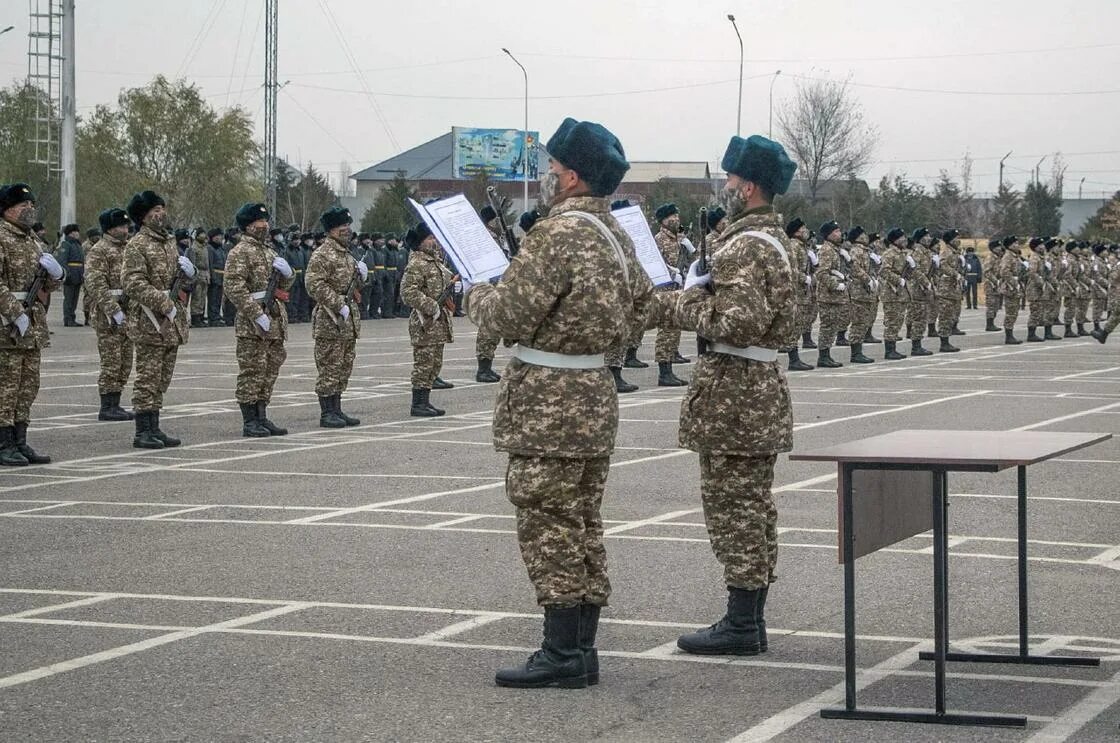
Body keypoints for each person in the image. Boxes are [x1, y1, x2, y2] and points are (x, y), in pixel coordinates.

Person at [466, 117, 652, 688]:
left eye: (550, 170)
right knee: (581, 520)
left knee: (548, 522)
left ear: (571, 177)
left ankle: (561, 653)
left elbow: (507, 317)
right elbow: (643, 307)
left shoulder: (556, 234)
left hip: (549, 402)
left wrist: (476, 290)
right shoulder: (617, 234)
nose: (546, 179)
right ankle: (581, 646)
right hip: (594, 394)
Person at [672, 133, 796, 656]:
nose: (724, 186)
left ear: (747, 187)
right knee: (753, 506)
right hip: (755, 390)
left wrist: (686, 302)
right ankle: (750, 618)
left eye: (729, 178)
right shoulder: (773, 240)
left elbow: (739, 322)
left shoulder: (745, 245)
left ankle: (742, 624)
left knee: (734, 508)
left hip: (735, 395)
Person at [121, 190, 195, 449]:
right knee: (147, 378)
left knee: (162, 378)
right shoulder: (137, 245)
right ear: (143, 217)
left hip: (171, 320)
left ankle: (155, 426)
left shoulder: (169, 242)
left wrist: (187, 274)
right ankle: (143, 430)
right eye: (154, 210)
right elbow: (132, 282)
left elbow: (174, 280)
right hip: (150, 321)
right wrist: (164, 303)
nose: (160, 213)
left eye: (162, 208)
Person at [0, 183, 62, 466]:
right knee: (7, 386)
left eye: (31, 205)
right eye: (22, 205)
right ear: (7, 209)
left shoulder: (33, 241)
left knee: (28, 386)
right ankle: (4, 443)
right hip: (6, 325)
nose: (29, 209)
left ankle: (20, 440)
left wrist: (55, 275)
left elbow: (47, 285)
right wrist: (15, 313)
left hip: (32, 326)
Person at [224, 203, 295, 437]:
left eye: (266, 222)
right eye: (259, 222)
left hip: (274, 321)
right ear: (247, 226)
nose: (264, 226)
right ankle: (250, 421)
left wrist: (288, 275)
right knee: (252, 371)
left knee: (269, 370)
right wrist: (256, 314)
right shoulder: (239, 252)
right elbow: (234, 287)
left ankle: (262, 415)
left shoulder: (269, 251)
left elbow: (282, 289)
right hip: (252, 323)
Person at [305, 206, 363, 428]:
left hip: (348, 321)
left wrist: (362, 278)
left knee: (344, 366)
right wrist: (338, 304)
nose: (346, 230)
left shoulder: (347, 254)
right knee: (330, 366)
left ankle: (337, 408)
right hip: (330, 320)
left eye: (348, 225)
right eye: (341, 226)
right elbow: (314, 284)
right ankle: (327, 412)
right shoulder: (323, 254)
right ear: (330, 230)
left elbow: (351, 284)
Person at [84, 208, 135, 422]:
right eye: (121, 227)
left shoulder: (128, 249)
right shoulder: (100, 250)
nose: (125, 230)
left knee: (125, 361)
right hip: (109, 314)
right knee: (111, 361)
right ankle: (107, 405)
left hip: (129, 312)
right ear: (110, 229)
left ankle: (116, 401)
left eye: (126, 226)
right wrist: (113, 310)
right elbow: (95, 283)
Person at [401, 222, 455, 416]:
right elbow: (407, 292)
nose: (434, 242)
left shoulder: (436, 262)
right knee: (423, 364)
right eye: (430, 238)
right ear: (421, 242)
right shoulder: (416, 263)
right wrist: (430, 305)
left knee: (434, 364)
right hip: (425, 322)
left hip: (439, 322)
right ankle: (418, 403)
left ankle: (426, 400)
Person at [651, 203, 687, 386]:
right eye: (672, 216)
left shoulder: (677, 240)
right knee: (666, 330)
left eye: (677, 216)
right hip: (664, 290)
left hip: (676, 289)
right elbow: (654, 263)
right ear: (663, 220)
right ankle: (664, 372)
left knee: (674, 330)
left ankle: (670, 368)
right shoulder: (659, 239)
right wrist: (672, 272)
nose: (676, 219)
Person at [474, 206, 505, 383]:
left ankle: (487, 366)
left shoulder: (495, 237)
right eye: (495, 220)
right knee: (487, 328)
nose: (498, 223)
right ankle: (483, 368)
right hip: (488, 287)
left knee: (493, 329)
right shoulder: (484, 238)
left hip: (497, 286)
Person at [812, 220, 848, 368]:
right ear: (829, 235)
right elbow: (821, 273)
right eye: (836, 232)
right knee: (827, 326)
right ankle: (823, 356)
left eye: (839, 231)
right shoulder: (827, 250)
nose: (839, 234)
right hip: (827, 295)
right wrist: (835, 285)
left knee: (832, 326)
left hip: (835, 295)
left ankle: (827, 354)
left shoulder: (836, 250)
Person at [783, 218, 813, 371]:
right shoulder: (794, 246)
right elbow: (791, 268)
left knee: (798, 324)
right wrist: (803, 278)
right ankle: (793, 359)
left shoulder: (801, 246)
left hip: (801, 292)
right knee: (794, 325)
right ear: (796, 232)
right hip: (795, 291)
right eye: (803, 229)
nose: (805, 231)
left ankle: (795, 358)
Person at [844, 226, 876, 363]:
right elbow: (855, 268)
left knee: (863, 321)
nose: (866, 236)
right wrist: (867, 278)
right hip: (858, 291)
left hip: (864, 292)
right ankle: (855, 353)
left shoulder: (865, 251)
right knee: (858, 321)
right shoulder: (856, 251)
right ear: (858, 237)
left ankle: (858, 351)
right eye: (863, 234)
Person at [933, 229, 963, 352]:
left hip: (953, 288)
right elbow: (943, 265)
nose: (958, 240)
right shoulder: (946, 251)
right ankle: (944, 343)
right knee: (945, 316)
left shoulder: (954, 252)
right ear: (950, 240)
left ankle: (947, 340)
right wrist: (955, 274)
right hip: (946, 289)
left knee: (950, 315)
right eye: (956, 238)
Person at [56, 222, 85, 326]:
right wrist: (67, 274)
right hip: (71, 274)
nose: (77, 233)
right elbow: (62, 261)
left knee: (75, 298)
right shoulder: (66, 244)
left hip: (78, 274)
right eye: (75, 232)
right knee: (68, 298)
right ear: (70, 234)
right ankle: (68, 319)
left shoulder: (77, 244)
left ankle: (72, 318)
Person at [998, 236, 1025, 344]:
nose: (1017, 245)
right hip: (1010, 287)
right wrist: (1014, 283)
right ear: (1009, 246)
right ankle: (1009, 336)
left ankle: (1010, 334)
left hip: (1015, 286)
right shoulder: (1008, 256)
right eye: (1014, 244)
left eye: (1017, 243)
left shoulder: (1016, 256)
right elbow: (1004, 272)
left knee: (1014, 312)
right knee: (1010, 312)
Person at [188, 228, 210, 327]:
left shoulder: (205, 247)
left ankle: (201, 316)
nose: (204, 236)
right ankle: (195, 318)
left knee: (202, 298)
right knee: (197, 297)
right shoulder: (193, 248)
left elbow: (207, 263)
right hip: (198, 274)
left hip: (205, 275)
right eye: (201, 234)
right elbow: (192, 263)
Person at [206, 229, 226, 325]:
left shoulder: (221, 248)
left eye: (221, 236)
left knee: (218, 298)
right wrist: (212, 277)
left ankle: (217, 316)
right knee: (213, 298)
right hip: (215, 275)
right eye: (217, 236)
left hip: (222, 276)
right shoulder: (210, 248)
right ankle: (213, 318)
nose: (220, 238)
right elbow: (210, 263)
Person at [983, 238, 1004, 331]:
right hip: (991, 285)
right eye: (998, 247)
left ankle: (992, 322)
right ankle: (989, 324)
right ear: (993, 248)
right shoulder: (990, 258)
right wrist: (995, 281)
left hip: (997, 285)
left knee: (996, 305)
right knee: (991, 305)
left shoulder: (998, 258)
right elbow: (987, 272)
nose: (1000, 248)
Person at [963, 243, 982, 309]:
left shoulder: (976, 259)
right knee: (967, 292)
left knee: (975, 292)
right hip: (967, 277)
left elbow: (979, 268)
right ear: (967, 253)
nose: (970, 253)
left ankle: (975, 305)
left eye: (971, 252)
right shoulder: (964, 259)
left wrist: (979, 277)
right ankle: (968, 305)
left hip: (974, 277)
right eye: (969, 252)